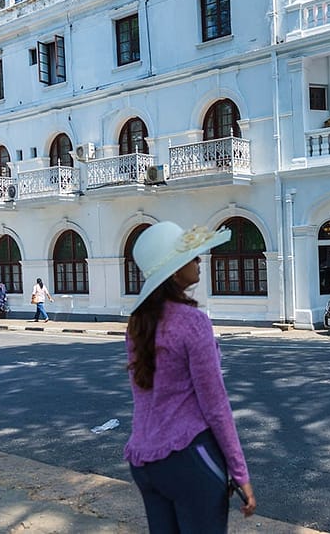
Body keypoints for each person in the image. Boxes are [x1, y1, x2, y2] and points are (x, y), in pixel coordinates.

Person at [123, 221, 256, 532]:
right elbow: (215, 405)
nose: (199, 261)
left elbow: (143, 396)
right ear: (173, 271)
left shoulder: (137, 324)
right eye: (192, 256)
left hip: (145, 461)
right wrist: (241, 474)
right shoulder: (193, 323)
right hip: (188, 457)